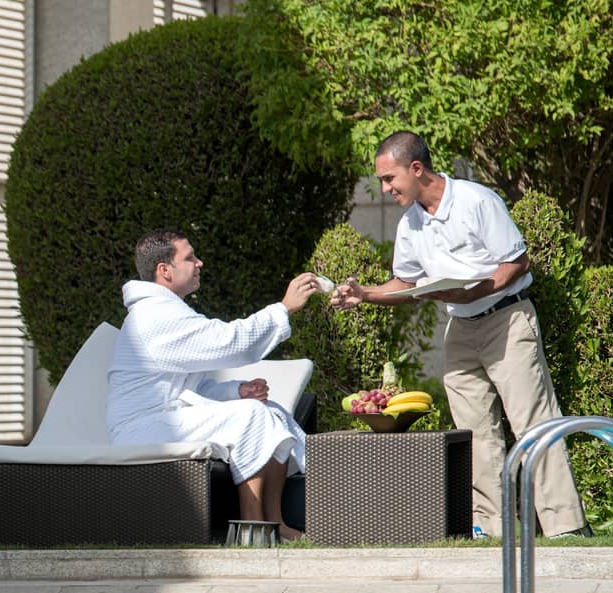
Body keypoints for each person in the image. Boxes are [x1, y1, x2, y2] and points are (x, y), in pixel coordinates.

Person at [330, 131, 587, 538]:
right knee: (475, 432)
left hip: (506, 319)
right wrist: (366, 295)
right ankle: (495, 528)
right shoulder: (410, 224)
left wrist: (472, 291)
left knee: (533, 422)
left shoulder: (475, 201)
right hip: (460, 328)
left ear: (416, 169)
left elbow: (516, 263)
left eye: (389, 178)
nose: (385, 188)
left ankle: (565, 526)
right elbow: (406, 282)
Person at [107, 229, 320, 539]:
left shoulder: (165, 310)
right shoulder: (155, 316)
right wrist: (283, 308)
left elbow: (189, 388)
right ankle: (252, 527)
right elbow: (230, 342)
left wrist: (237, 391)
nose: (199, 263)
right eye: (190, 257)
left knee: (269, 411)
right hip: (141, 427)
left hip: (164, 418)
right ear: (164, 270)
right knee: (250, 416)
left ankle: (277, 523)